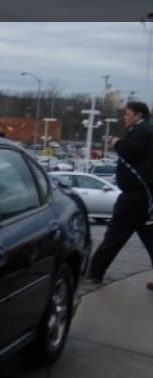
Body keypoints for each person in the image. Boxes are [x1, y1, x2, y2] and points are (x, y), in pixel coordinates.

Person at [86, 101, 153, 290]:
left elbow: (131, 151)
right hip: (145, 197)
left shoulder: (141, 131)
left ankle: (95, 273)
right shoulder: (147, 130)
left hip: (134, 197)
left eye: (128, 113)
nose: (125, 117)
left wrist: (117, 143)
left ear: (138, 115)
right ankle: (95, 272)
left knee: (115, 234)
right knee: (149, 237)